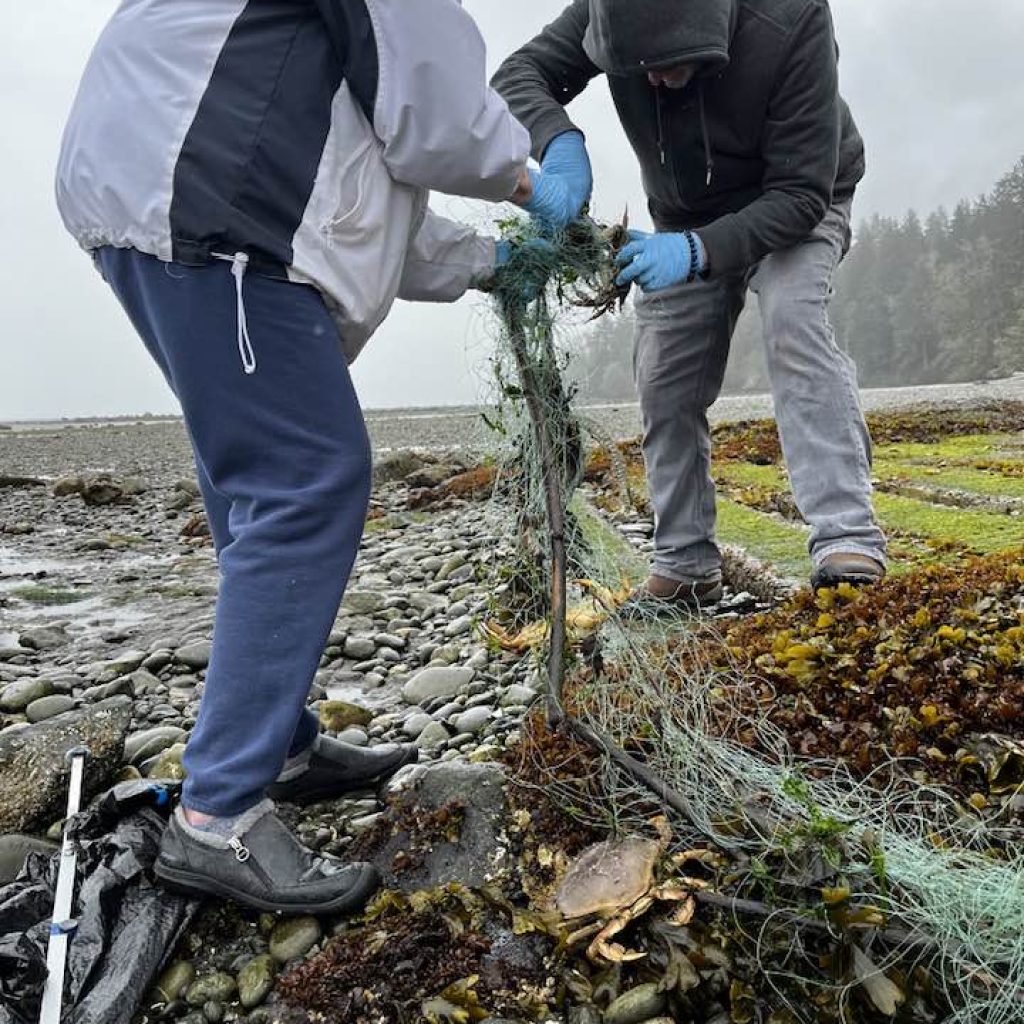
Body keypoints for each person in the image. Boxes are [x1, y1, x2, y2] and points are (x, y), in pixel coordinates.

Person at [56, 0, 575, 915]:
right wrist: (534, 180)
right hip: (211, 201)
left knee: (251, 473)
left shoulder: (302, 71)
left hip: (164, 187)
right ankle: (216, 813)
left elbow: (369, 207)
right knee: (307, 476)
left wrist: (494, 260)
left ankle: (280, 743)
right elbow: (433, 117)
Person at [493, 0, 888, 610]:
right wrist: (560, 139)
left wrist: (698, 252)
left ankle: (847, 539)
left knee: (792, 318)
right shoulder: (609, 10)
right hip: (684, 210)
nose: (652, 80)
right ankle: (685, 564)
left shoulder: (791, 19)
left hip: (797, 198)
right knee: (663, 374)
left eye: (670, 65)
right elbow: (519, 74)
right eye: (637, 68)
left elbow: (801, 194)